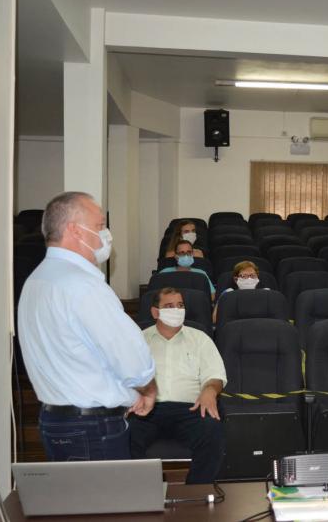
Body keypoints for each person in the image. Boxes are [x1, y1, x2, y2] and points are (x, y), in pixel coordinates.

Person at [17, 191, 157, 461]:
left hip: (54, 419)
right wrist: (147, 389)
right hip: (91, 429)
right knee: (110, 503)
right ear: (74, 230)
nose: (106, 234)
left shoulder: (36, 281)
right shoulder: (83, 285)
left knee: (73, 503)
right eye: (100, 225)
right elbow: (131, 358)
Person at [130, 287, 227, 484]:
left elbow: (215, 375)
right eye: (169, 306)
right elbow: (126, 377)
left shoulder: (200, 338)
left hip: (190, 409)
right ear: (155, 312)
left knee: (212, 430)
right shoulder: (138, 340)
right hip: (147, 410)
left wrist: (210, 390)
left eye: (180, 305)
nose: (176, 310)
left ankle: (197, 489)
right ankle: (143, 490)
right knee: (124, 433)